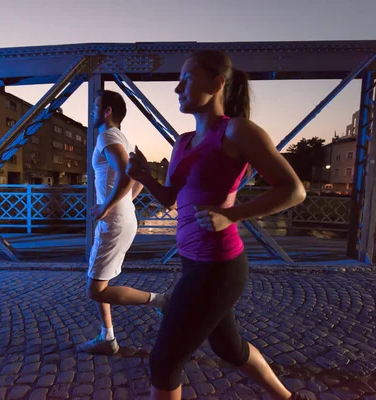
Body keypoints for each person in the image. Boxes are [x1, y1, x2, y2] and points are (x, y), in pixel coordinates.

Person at [126, 51, 308, 399]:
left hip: (219, 268)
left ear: (218, 83)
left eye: (188, 78)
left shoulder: (237, 130)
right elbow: (172, 200)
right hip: (193, 261)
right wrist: (145, 178)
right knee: (230, 348)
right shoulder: (182, 142)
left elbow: (293, 190)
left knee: (164, 363)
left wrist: (232, 214)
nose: (177, 88)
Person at [78, 90, 168, 355]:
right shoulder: (123, 139)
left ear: (107, 112)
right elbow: (136, 177)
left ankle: (162, 300)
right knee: (99, 280)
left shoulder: (108, 136)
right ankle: (107, 338)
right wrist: (124, 201)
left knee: (95, 290)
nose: (93, 112)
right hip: (121, 218)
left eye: (96, 108)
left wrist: (107, 207)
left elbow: (129, 178)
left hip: (114, 221)